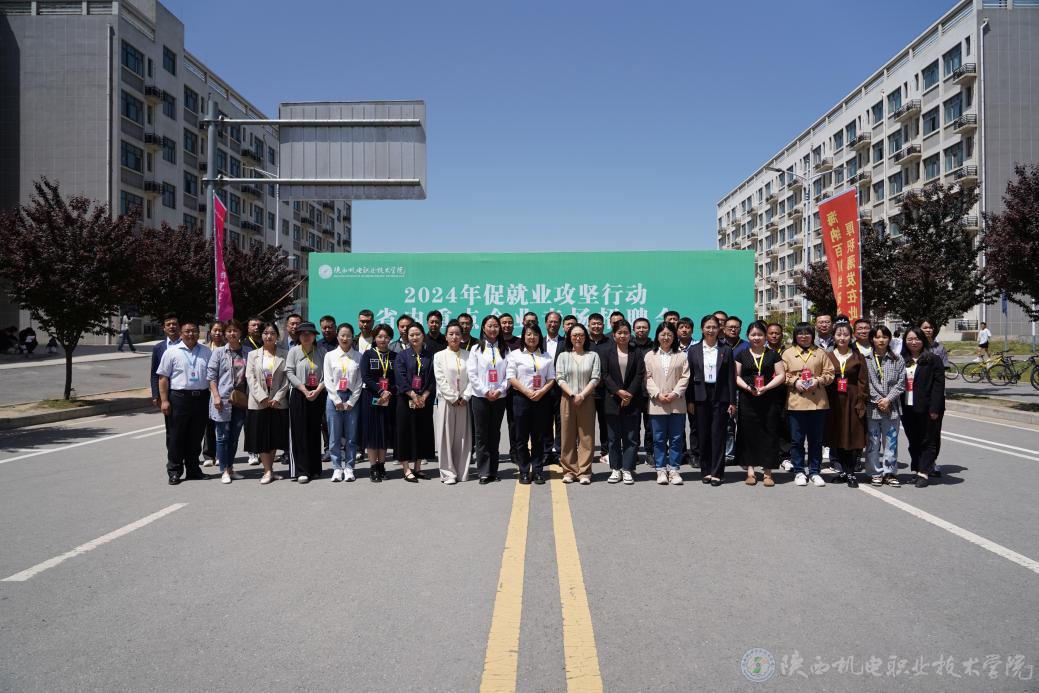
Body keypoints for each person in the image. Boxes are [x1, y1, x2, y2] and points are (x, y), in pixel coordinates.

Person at [156, 321, 212, 484]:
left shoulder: (206, 351)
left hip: (201, 398)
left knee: (196, 437)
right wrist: (164, 400)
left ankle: (193, 470)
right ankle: (174, 471)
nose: (191, 334)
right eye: (187, 331)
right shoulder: (172, 352)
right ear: (181, 334)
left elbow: (212, 375)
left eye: (194, 331)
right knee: (176, 437)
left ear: (198, 333)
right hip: (179, 398)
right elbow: (163, 377)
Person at [782, 323, 835, 487]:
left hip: (817, 402)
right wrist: (794, 381)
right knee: (797, 440)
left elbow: (830, 373)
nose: (804, 336)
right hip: (796, 402)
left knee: (816, 440)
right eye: (800, 333)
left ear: (813, 335)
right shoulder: (788, 353)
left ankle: (814, 471)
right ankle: (799, 471)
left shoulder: (821, 353)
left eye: (807, 333)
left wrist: (817, 381)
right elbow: (782, 374)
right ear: (795, 336)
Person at [734, 321, 786, 487]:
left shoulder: (773, 354)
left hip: (769, 399)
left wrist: (766, 387)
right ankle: (750, 471)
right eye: (753, 335)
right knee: (748, 433)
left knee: (769, 433)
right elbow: (736, 376)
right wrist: (748, 388)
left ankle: (768, 472)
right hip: (747, 399)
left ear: (765, 337)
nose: (756, 338)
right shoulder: (741, 354)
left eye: (760, 335)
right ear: (748, 336)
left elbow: (781, 375)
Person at [687, 315, 737, 486]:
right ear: (702, 329)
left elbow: (731, 377)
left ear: (719, 329)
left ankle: (717, 472)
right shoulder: (694, 350)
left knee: (718, 434)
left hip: (721, 395)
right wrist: (690, 401)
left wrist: (732, 402)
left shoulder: (726, 349)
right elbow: (690, 377)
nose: (711, 330)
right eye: (707, 327)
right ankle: (706, 471)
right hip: (700, 395)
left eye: (714, 327)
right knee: (703, 435)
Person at [506, 324, 556, 485]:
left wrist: (541, 392)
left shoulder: (546, 356)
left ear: (539, 337)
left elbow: (551, 378)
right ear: (523, 336)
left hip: (541, 399)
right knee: (521, 437)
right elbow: (511, 377)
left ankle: (538, 470)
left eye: (535, 334)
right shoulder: (515, 355)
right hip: (521, 399)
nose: (532, 337)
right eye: (528, 334)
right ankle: (524, 470)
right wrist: (527, 392)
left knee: (538, 437)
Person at [823, 321, 868, 488]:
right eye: (839, 335)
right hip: (833, 401)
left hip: (853, 399)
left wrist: (861, 400)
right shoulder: (828, 356)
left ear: (851, 337)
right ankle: (842, 471)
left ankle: (851, 472)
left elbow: (863, 381)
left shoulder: (858, 357)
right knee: (837, 436)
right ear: (833, 337)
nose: (842, 338)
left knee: (853, 436)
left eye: (845, 335)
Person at [244, 322, 290, 484]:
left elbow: (287, 378)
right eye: (265, 333)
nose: (268, 336)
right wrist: (262, 397)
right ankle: (267, 470)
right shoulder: (253, 355)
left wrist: (278, 397)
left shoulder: (285, 354)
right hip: (259, 402)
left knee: (274, 437)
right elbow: (250, 377)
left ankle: (270, 469)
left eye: (272, 333)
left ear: (277, 336)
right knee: (262, 437)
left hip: (278, 402)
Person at [644, 323, 690, 485]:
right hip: (657, 403)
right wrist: (657, 394)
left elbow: (685, 377)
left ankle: (674, 469)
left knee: (676, 438)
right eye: (663, 334)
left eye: (669, 335)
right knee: (658, 438)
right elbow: (647, 377)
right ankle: (661, 469)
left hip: (677, 402)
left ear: (674, 337)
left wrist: (675, 393)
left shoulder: (681, 355)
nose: (666, 337)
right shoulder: (650, 356)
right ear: (657, 336)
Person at [555, 323, 601, 485]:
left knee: (586, 436)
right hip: (567, 399)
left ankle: (584, 471)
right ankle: (569, 471)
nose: (578, 338)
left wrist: (582, 395)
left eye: (581, 335)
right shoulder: (563, 356)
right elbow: (559, 377)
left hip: (586, 399)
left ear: (586, 337)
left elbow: (595, 377)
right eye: (574, 335)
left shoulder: (593, 355)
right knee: (567, 435)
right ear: (569, 337)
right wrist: (573, 394)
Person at [601, 319, 645, 485]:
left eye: (626, 333)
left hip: (632, 401)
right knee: (613, 438)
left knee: (631, 437)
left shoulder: (636, 352)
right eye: (619, 333)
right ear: (613, 335)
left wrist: (629, 394)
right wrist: (618, 392)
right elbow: (604, 375)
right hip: (613, 400)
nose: (622, 336)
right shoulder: (607, 352)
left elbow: (639, 375)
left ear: (630, 334)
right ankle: (615, 468)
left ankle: (627, 469)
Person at [900, 327, 945, 487]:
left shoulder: (933, 359)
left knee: (928, 439)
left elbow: (938, 386)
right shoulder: (901, 360)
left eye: (917, 339)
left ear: (923, 341)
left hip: (927, 408)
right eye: (910, 339)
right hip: (906, 407)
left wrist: (934, 409)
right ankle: (918, 468)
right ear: (905, 341)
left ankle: (924, 472)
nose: (913, 342)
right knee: (913, 440)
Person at [467, 315, 510, 484]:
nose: (493, 329)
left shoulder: (505, 349)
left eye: (496, 326)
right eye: (489, 326)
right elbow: (472, 374)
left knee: (494, 434)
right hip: (480, 397)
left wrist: (500, 390)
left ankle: (493, 470)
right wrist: (485, 391)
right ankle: (483, 471)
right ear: (483, 328)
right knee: (481, 435)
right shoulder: (476, 349)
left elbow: (509, 373)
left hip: (500, 397)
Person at [207, 319, 249, 484]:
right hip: (223, 400)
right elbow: (211, 376)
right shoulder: (218, 352)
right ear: (225, 334)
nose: (232, 333)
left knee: (234, 437)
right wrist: (216, 396)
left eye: (235, 330)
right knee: (222, 436)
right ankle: (224, 470)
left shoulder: (247, 352)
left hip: (241, 400)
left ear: (240, 333)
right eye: (229, 331)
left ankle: (230, 468)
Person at [393, 323, 436, 482]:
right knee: (405, 433)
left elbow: (433, 378)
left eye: (417, 334)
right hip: (405, 401)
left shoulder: (430, 356)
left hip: (424, 401)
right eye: (411, 335)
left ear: (423, 335)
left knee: (422, 432)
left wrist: (424, 396)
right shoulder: (402, 355)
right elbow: (400, 377)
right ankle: (406, 468)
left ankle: (418, 467)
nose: (414, 337)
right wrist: (412, 395)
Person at [285, 322, 327, 483]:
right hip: (299, 393)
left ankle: (315, 468)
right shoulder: (294, 351)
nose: (306, 336)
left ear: (315, 336)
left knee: (314, 431)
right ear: (299, 336)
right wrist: (303, 389)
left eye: (310, 333)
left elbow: (327, 374)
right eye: (303, 333)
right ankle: (301, 470)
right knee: (299, 432)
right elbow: (289, 371)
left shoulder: (321, 351)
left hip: (318, 393)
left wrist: (318, 390)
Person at [864, 325, 906, 486]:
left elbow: (901, 383)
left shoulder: (897, 359)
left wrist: (888, 399)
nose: (881, 340)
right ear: (872, 339)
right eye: (877, 337)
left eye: (884, 337)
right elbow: (866, 383)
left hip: (892, 407)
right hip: (872, 407)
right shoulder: (866, 359)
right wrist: (879, 400)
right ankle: (875, 472)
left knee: (891, 442)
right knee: (873, 442)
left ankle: (890, 473)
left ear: (889, 339)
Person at [433, 321, 473, 484]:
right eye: (451, 334)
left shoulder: (468, 355)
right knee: (446, 438)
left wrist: (466, 396)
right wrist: (453, 397)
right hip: (447, 401)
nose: (454, 337)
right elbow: (440, 379)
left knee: (462, 437)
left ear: (462, 336)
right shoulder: (439, 356)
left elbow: (472, 378)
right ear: (446, 336)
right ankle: (448, 473)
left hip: (464, 402)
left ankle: (462, 471)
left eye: (457, 334)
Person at [324, 322, 362, 482]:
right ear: (337, 336)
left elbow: (360, 381)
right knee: (334, 436)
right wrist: (336, 400)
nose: (345, 338)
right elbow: (328, 379)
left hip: (352, 398)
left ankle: (349, 467)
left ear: (353, 337)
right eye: (342, 335)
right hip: (334, 398)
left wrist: (352, 401)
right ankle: (336, 468)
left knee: (351, 436)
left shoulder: (358, 356)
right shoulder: (330, 356)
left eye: (348, 335)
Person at [360, 324, 396, 482]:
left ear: (390, 339)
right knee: (372, 433)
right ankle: (373, 468)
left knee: (383, 432)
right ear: (374, 338)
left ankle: (382, 465)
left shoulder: (394, 356)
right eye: (380, 336)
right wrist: (381, 391)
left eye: (386, 337)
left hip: (388, 399)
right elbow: (365, 376)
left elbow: (397, 378)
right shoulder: (368, 354)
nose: (383, 339)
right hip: (371, 397)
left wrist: (389, 392)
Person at [150, 313, 180, 448]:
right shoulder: (159, 348)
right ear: (164, 328)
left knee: (186, 427)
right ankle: (173, 455)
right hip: (167, 393)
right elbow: (154, 373)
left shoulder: (186, 344)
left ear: (179, 326)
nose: (172, 326)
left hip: (184, 392)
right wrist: (156, 395)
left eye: (174, 324)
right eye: (168, 324)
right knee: (171, 428)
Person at [201, 320, 226, 467]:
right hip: (207, 391)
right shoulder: (204, 349)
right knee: (208, 424)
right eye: (215, 330)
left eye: (220, 330)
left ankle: (221, 454)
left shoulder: (228, 348)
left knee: (223, 425)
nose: (217, 333)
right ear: (210, 332)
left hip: (224, 391)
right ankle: (209, 454)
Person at [587, 313, 611, 463]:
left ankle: (606, 451)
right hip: (587, 390)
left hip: (605, 390)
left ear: (603, 325)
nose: (596, 326)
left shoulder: (610, 342)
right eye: (593, 324)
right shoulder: (584, 341)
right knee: (586, 424)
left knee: (605, 422)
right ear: (588, 325)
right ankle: (586, 452)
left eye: (599, 323)